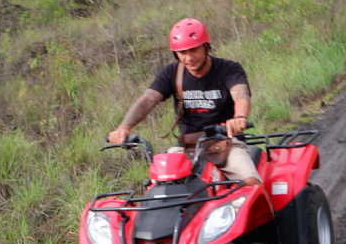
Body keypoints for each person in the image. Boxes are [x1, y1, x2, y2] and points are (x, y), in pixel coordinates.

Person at [107, 18, 262, 186]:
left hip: (227, 143)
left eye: (194, 49)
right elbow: (147, 100)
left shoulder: (228, 69)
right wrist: (124, 127)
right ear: (176, 54)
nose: (189, 58)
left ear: (206, 46)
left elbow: (241, 95)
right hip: (187, 148)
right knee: (157, 187)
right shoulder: (171, 73)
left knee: (250, 182)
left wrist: (239, 117)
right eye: (183, 52)